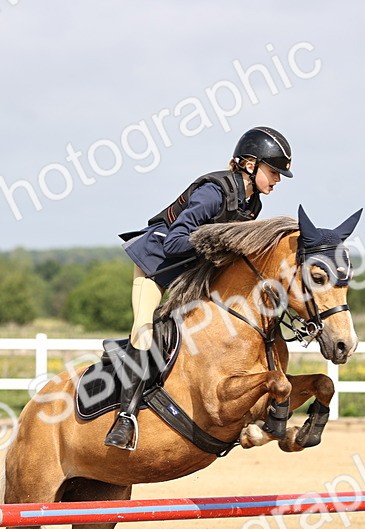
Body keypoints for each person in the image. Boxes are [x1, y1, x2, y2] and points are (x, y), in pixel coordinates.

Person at [104, 126, 293, 450]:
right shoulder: (213, 192)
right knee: (145, 331)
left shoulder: (252, 205)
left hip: (192, 274)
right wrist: (221, 238)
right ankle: (125, 418)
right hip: (157, 266)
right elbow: (176, 243)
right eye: (273, 171)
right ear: (250, 165)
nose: (277, 179)